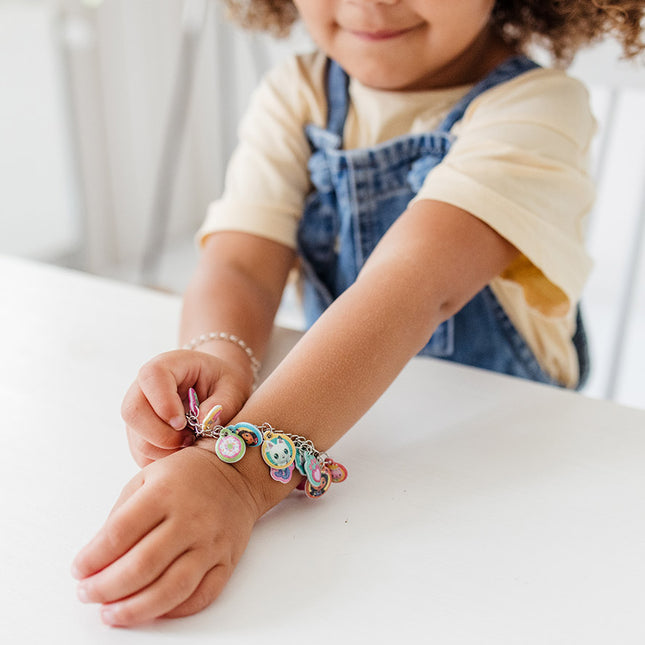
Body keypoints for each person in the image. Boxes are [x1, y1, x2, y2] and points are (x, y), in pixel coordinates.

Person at [71, 0, 645, 627]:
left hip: (502, 469)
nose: (369, 4)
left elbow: (412, 287)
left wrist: (239, 477)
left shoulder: (538, 107)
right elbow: (242, 263)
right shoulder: (300, 93)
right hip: (343, 436)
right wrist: (218, 359)